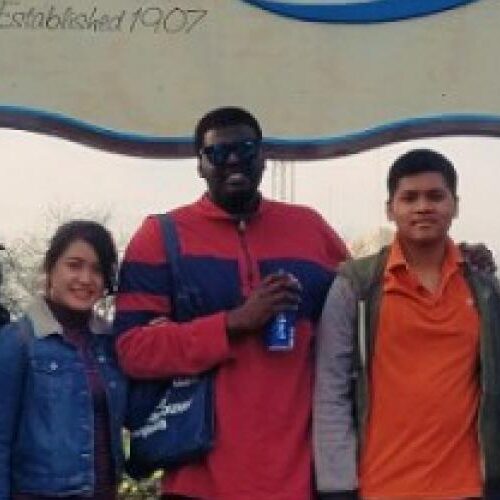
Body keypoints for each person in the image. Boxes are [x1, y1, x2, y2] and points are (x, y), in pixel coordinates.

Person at [114, 106, 349, 500]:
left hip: (297, 482)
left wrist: (447, 256)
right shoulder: (159, 237)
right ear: (201, 165)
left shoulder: (311, 229)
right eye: (218, 153)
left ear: (264, 157)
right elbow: (132, 350)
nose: (234, 159)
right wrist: (231, 324)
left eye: (245, 148)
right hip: (197, 482)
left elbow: (373, 300)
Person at [314, 149, 500, 500]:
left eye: (435, 196)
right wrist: (337, 487)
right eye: (409, 197)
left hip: (468, 488)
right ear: (390, 208)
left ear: (455, 205)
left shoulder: (483, 287)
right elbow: (331, 391)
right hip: (380, 487)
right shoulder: (357, 285)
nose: (423, 207)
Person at [0, 220, 127, 500]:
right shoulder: (17, 341)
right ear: (50, 269)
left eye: (96, 269)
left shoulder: (109, 344)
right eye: (74, 265)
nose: (85, 278)